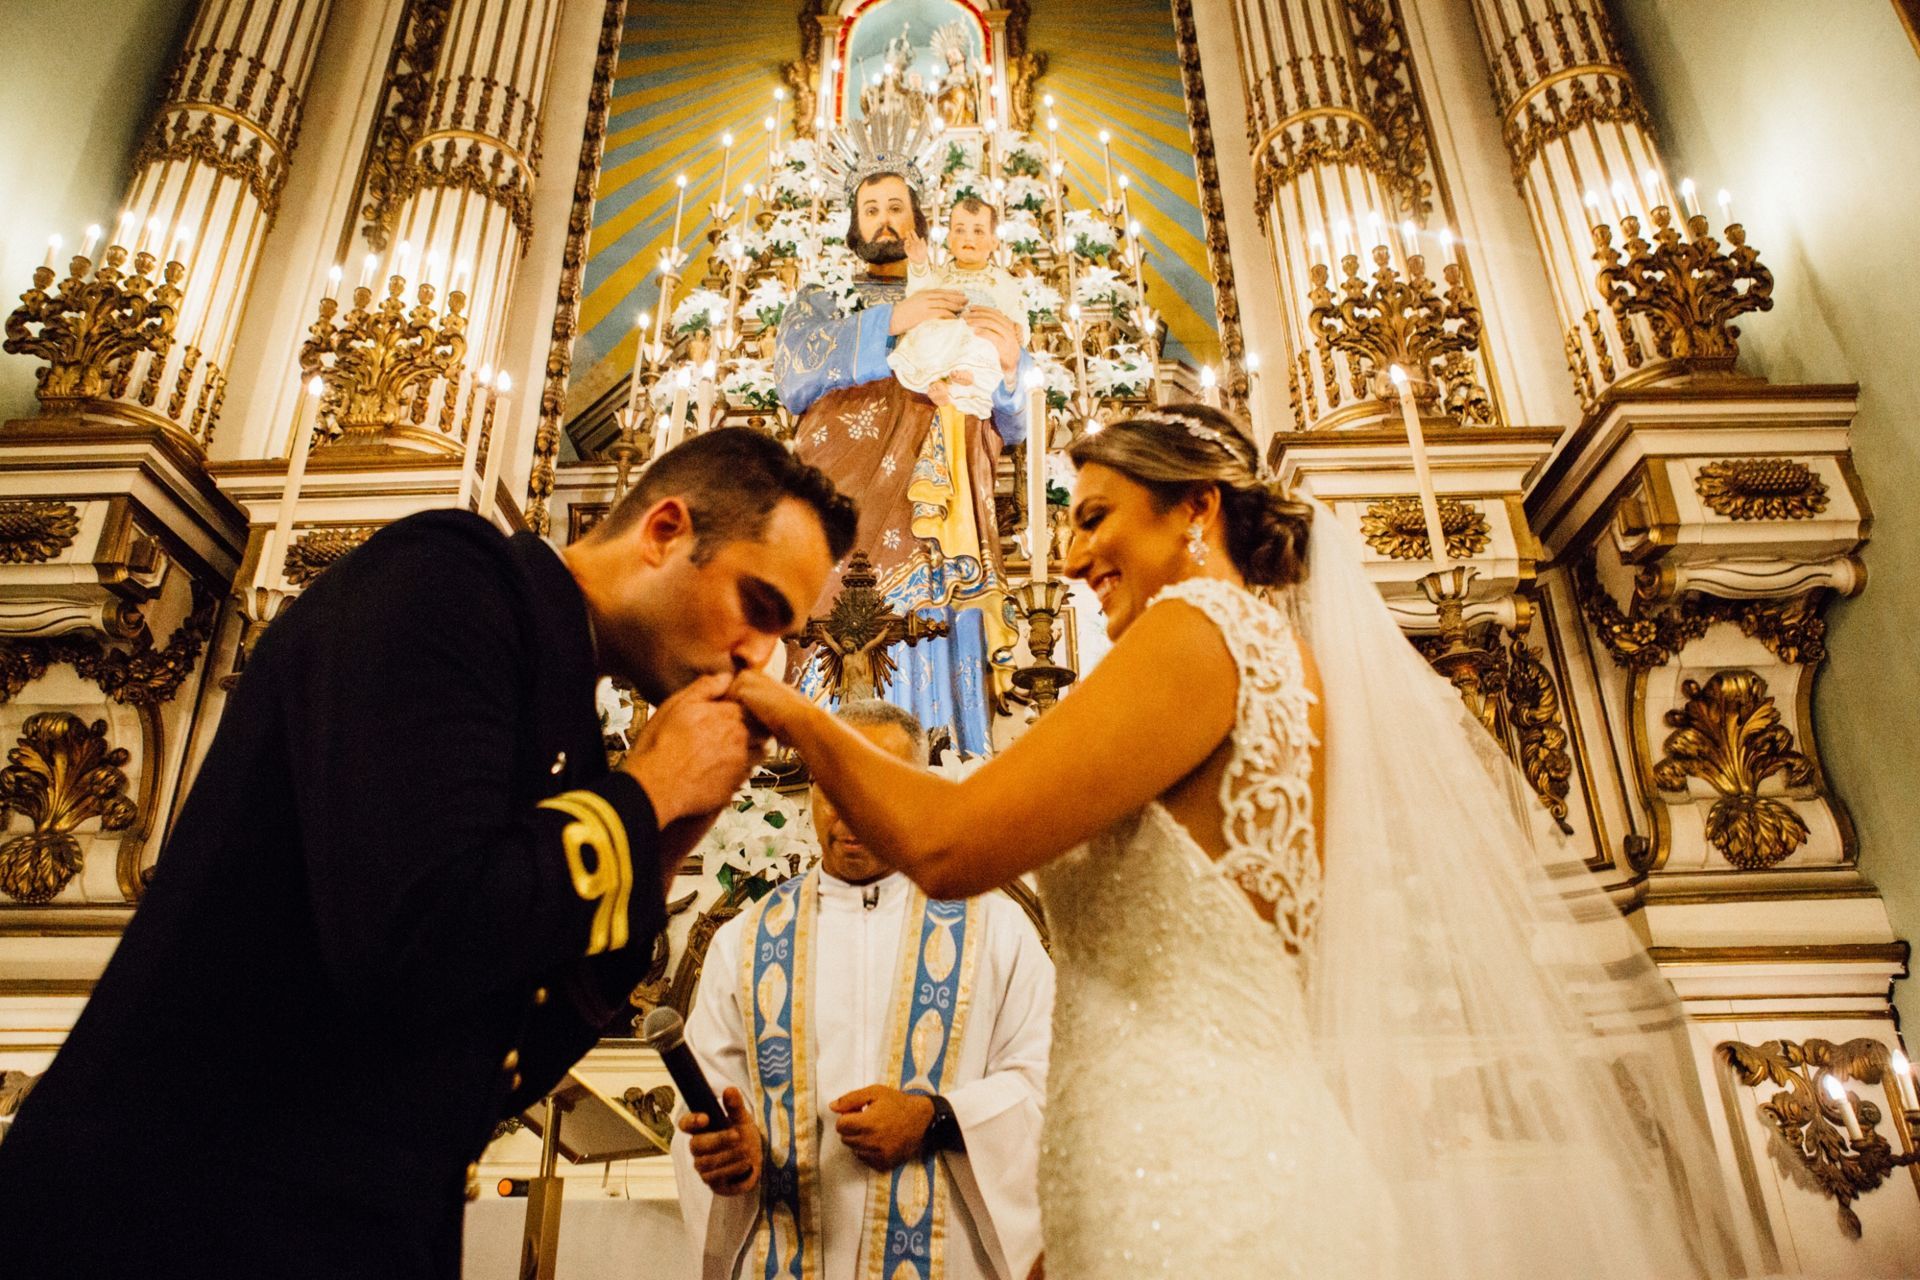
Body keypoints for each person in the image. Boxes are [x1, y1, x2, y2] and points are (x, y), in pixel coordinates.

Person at [728, 404, 1756, 1277]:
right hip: (1189, 1151)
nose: (1075, 555)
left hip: (1191, 1168)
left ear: (1197, 508)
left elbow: (951, 847)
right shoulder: (1271, 654)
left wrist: (796, 708)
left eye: (1093, 518)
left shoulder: (1197, 631)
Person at [0, 428, 856, 1279]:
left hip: (347, 1224)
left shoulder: (567, 720)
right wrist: (643, 797)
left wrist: (661, 844)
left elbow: (489, 1066)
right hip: (181, 1211)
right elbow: (410, 932)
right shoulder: (448, 585)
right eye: (760, 607)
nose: (760, 658)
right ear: (665, 531)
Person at [673, 700, 1052, 1280]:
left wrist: (935, 1117)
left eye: (875, 787)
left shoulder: (996, 929)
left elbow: (1049, 1082)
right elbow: (708, 1098)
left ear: (918, 790)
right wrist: (730, 1153)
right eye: (834, 788)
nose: (851, 814)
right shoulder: (743, 942)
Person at [777, 107, 1033, 756]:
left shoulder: (963, 291)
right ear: (853, 224)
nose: (885, 219)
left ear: (919, 218)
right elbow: (792, 373)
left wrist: (1006, 368)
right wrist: (894, 322)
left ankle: (948, 751)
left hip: (940, 497)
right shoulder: (825, 298)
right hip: (844, 493)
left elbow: (1015, 414)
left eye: (897, 206)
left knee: (938, 614)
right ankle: (829, 757)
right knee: (842, 612)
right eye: (871, 209)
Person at [889, 196, 1029, 422]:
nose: (968, 238)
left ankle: (959, 389)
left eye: (978, 231)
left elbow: (1016, 313)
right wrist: (918, 264)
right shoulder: (942, 276)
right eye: (960, 230)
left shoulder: (1003, 282)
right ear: (949, 239)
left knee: (989, 346)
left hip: (979, 334)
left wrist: (1018, 328)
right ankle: (941, 384)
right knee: (925, 332)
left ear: (994, 241)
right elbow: (919, 296)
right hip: (945, 337)